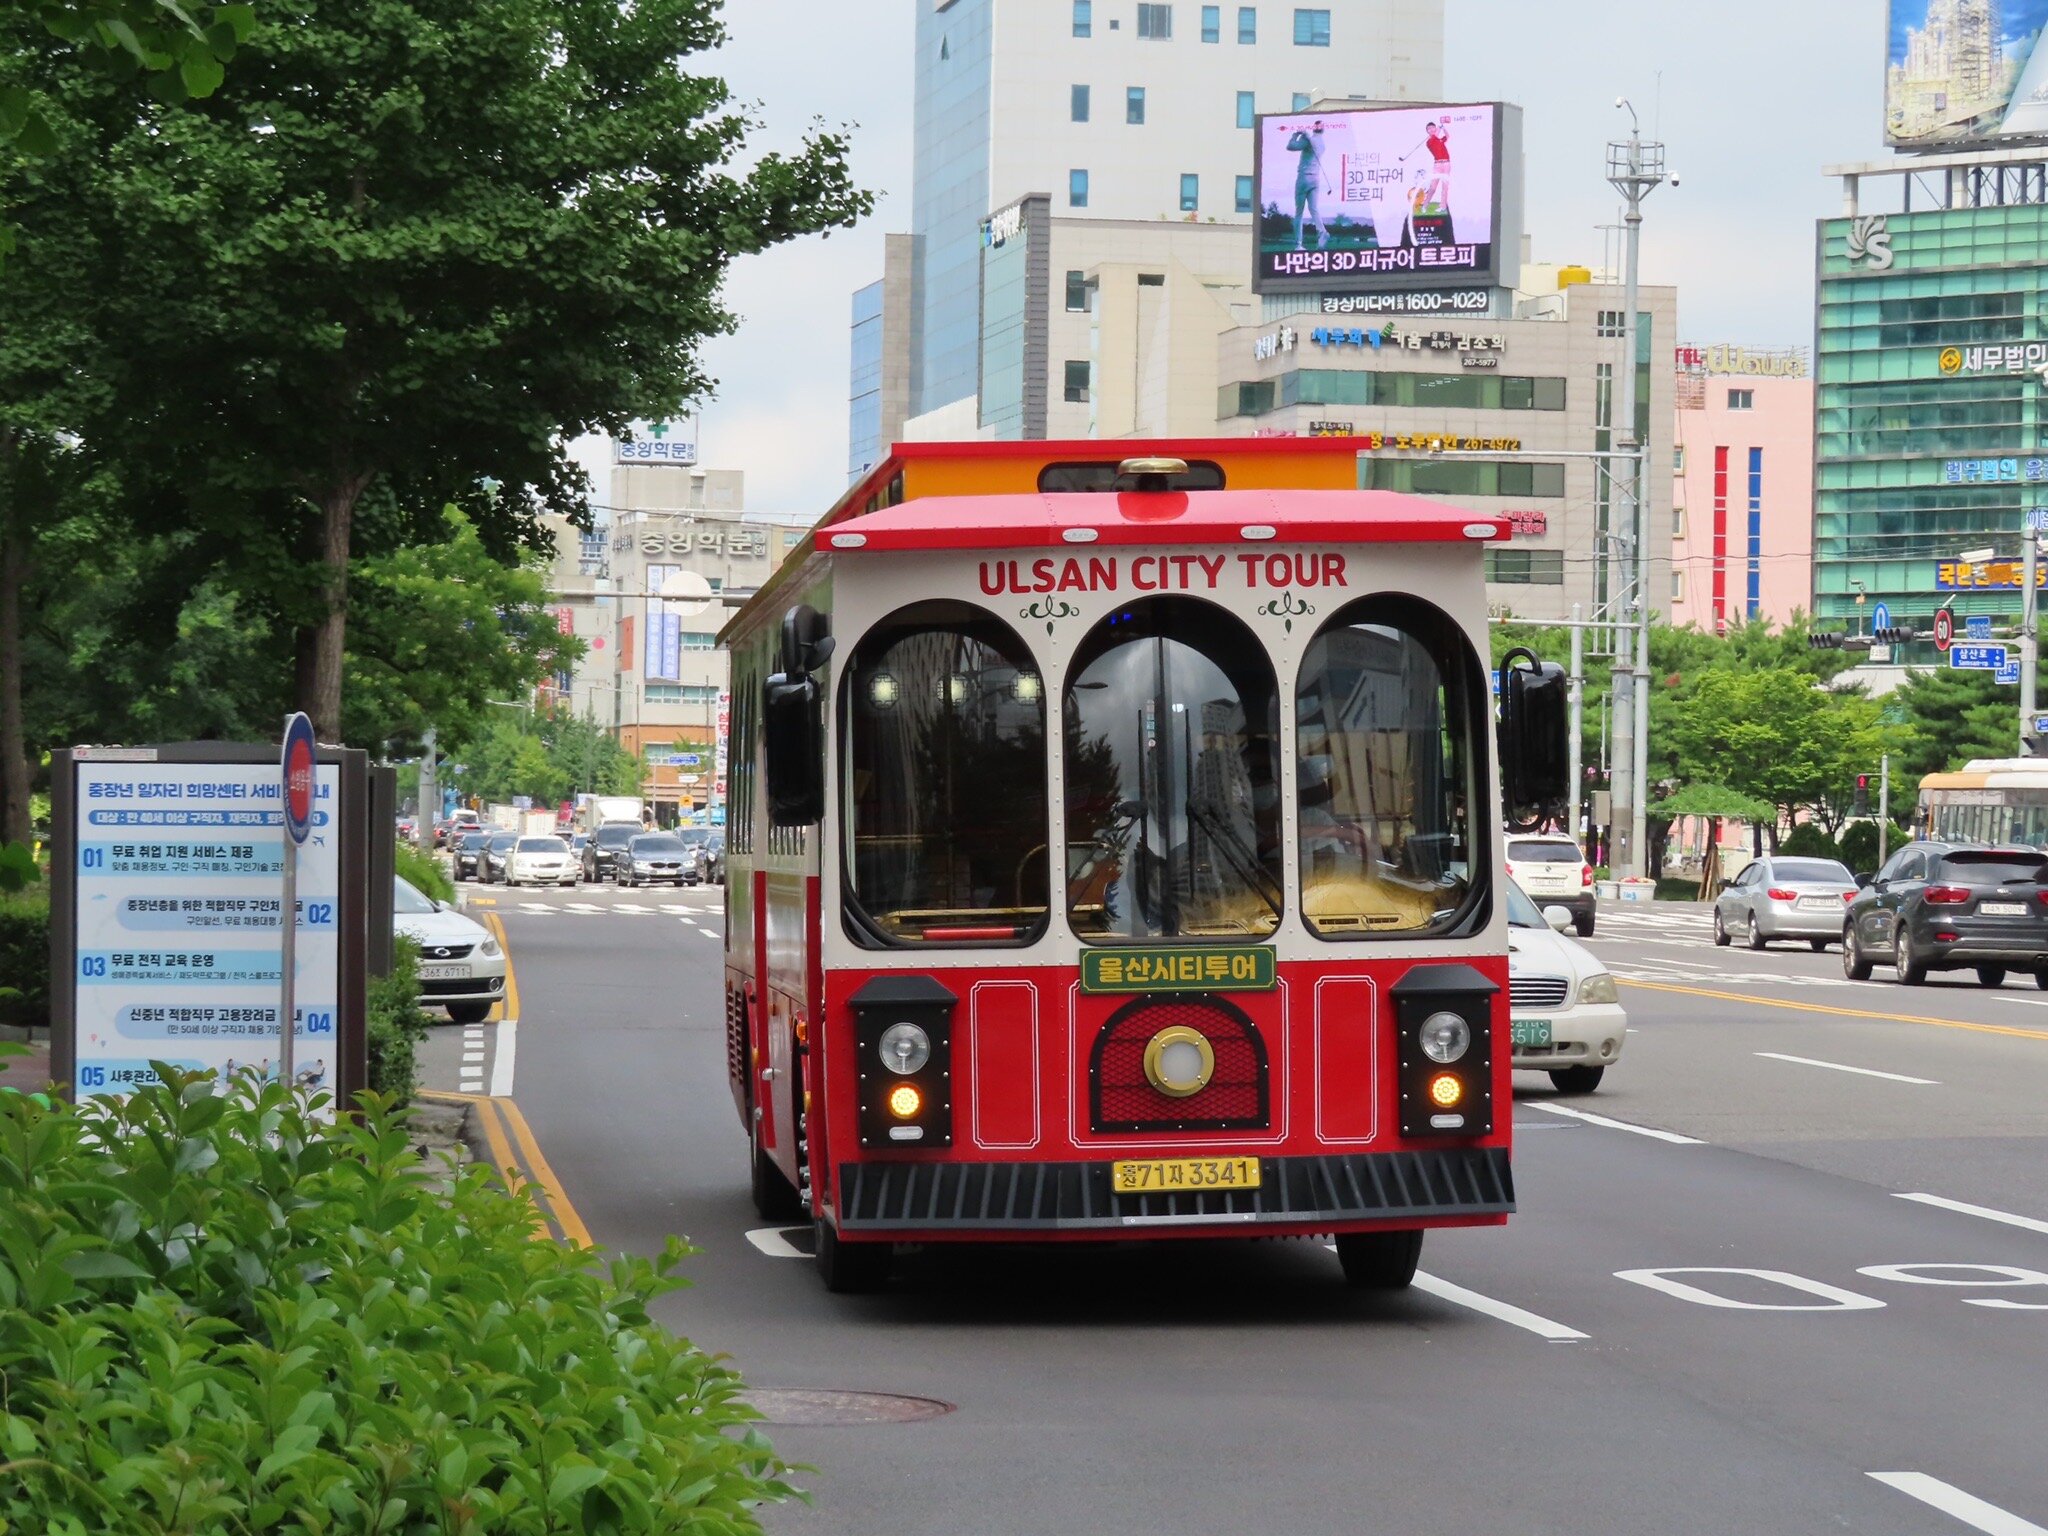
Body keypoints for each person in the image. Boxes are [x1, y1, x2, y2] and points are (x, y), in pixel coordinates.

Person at [1286, 120, 1332, 251]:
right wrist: (1304, 135)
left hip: (1303, 178)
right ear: (1322, 130)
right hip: (1316, 179)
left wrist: (1296, 135)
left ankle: (1298, 244)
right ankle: (1322, 231)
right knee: (1313, 208)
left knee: (1299, 212)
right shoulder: (1322, 144)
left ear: (1313, 129)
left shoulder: (1309, 141)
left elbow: (1290, 146)